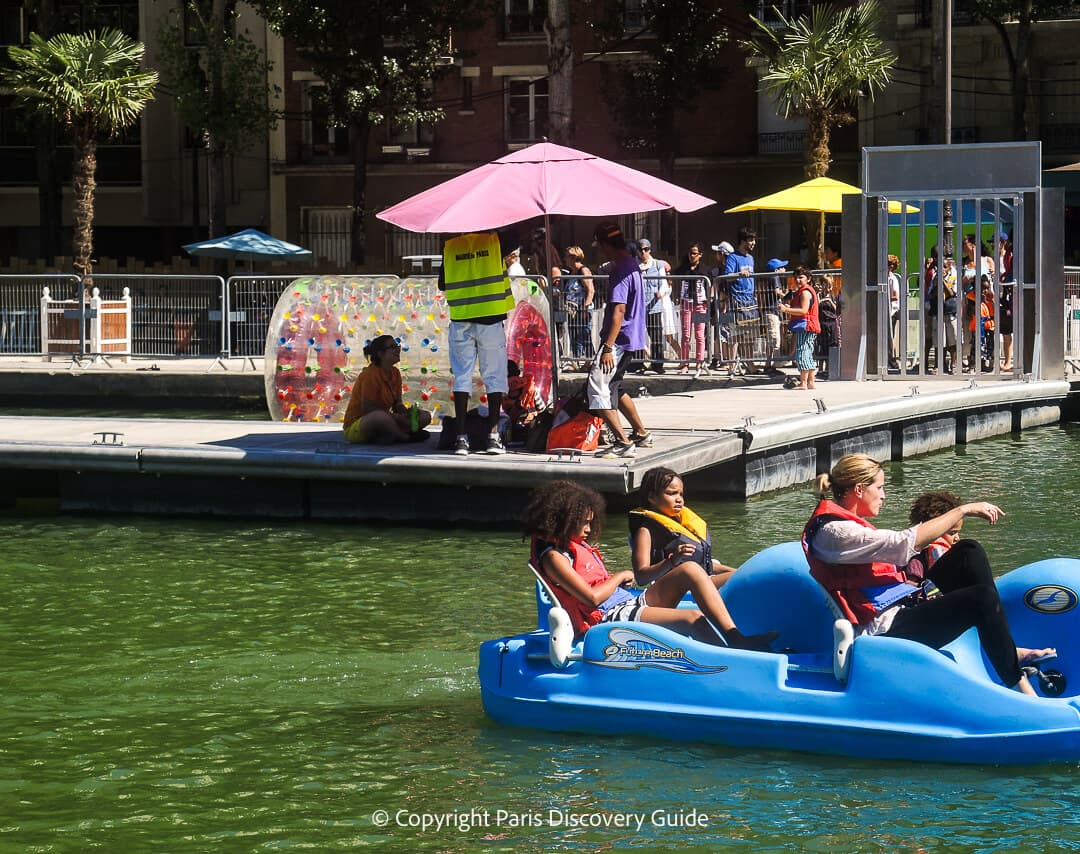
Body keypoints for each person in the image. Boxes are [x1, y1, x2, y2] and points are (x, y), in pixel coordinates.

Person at [802, 454, 1054, 696]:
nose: (884, 495)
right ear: (859, 490)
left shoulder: (846, 525)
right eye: (879, 488)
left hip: (905, 604)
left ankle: (1006, 648)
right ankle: (1017, 682)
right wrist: (962, 510)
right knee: (982, 598)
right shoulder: (835, 534)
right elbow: (901, 544)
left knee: (968, 551)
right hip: (886, 631)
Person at [525, 479, 777, 650]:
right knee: (692, 618)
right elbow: (591, 598)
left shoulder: (571, 548)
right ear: (562, 520)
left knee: (690, 569)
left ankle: (735, 637)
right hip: (607, 617)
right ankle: (732, 658)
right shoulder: (553, 558)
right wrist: (620, 576)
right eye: (584, 523)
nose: (589, 530)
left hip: (624, 604)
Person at [439, 231, 517, 456]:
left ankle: (461, 439)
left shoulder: (451, 246)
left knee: (462, 376)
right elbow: (522, 232)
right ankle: (493, 437)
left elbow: (443, 283)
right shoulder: (496, 242)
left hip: (461, 319)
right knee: (494, 376)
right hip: (490, 320)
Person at [587, 223, 652, 457]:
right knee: (614, 385)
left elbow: (619, 310)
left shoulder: (620, 271)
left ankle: (623, 442)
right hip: (631, 339)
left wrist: (607, 347)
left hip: (619, 340)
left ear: (605, 245)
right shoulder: (632, 265)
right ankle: (641, 433)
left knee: (596, 387)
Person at [629, 466, 739, 592]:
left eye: (680, 494)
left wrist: (737, 571)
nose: (679, 499)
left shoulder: (680, 523)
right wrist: (673, 560)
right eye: (671, 493)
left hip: (700, 581)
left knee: (741, 574)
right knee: (745, 578)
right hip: (676, 589)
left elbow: (704, 565)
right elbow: (641, 577)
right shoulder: (645, 532)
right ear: (652, 497)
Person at [342, 334, 432, 444]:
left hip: (388, 419)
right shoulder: (370, 374)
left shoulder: (395, 373)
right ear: (381, 354)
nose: (398, 349)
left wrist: (407, 414)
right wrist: (397, 418)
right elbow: (368, 409)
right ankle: (404, 437)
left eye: (397, 346)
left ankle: (388, 435)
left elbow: (397, 404)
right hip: (362, 424)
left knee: (425, 416)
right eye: (392, 347)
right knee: (380, 417)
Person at [904, 490, 963, 582]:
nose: (957, 538)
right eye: (952, 533)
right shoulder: (917, 560)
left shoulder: (949, 554)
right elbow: (911, 585)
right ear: (933, 532)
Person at [724, 227, 760, 373]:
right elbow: (727, 276)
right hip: (737, 300)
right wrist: (739, 274)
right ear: (742, 241)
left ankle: (750, 364)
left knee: (750, 335)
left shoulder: (750, 258)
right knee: (735, 335)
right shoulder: (733, 257)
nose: (753, 243)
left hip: (750, 300)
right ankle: (731, 366)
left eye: (754, 240)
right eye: (751, 240)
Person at [778, 266, 820, 390]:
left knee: (802, 353)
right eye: (796, 278)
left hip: (806, 326)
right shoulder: (807, 291)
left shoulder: (805, 292)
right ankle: (811, 382)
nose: (798, 280)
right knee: (808, 353)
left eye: (801, 277)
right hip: (810, 326)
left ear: (808, 278)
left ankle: (803, 383)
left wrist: (786, 309)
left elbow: (803, 310)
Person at [673, 242, 711, 374]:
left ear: (700, 255)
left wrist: (709, 298)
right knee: (685, 335)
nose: (691, 256)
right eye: (690, 253)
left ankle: (700, 363)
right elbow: (671, 275)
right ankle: (685, 363)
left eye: (694, 253)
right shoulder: (684, 268)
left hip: (700, 305)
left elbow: (711, 285)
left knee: (700, 335)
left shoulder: (705, 269)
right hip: (686, 304)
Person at [637, 238, 669, 374]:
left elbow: (664, 283)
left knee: (656, 335)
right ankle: (637, 363)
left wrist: (661, 293)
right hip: (638, 307)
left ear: (650, 250)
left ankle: (657, 364)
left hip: (653, 306)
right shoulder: (635, 265)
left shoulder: (657, 264)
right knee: (637, 335)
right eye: (641, 250)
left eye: (646, 249)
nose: (643, 252)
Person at [563, 245, 595, 367]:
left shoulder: (583, 271)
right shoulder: (572, 272)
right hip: (572, 311)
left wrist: (584, 309)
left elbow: (591, 290)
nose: (564, 259)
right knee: (574, 336)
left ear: (573, 257)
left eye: (566, 257)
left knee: (584, 335)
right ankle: (576, 362)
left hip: (582, 310)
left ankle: (589, 361)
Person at [708, 241, 734, 369]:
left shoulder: (727, 269)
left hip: (727, 304)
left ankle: (725, 359)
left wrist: (723, 302)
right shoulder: (720, 269)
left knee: (725, 332)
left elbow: (724, 287)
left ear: (722, 254)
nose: (716, 255)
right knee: (720, 331)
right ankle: (719, 358)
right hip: (722, 304)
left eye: (718, 253)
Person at [761, 258, 789, 377]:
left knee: (774, 339)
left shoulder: (773, 278)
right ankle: (769, 366)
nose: (784, 269)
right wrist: (787, 295)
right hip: (772, 312)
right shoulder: (774, 277)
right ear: (776, 269)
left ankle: (770, 364)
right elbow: (777, 291)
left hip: (773, 311)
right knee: (774, 340)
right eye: (782, 267)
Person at [887, 254, 902, 371]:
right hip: (887, 310)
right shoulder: (886, 278)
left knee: (890, 336)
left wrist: (885, 297)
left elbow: (895, 296)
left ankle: (892, 361)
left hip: (892, 311)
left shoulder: (893, 278)